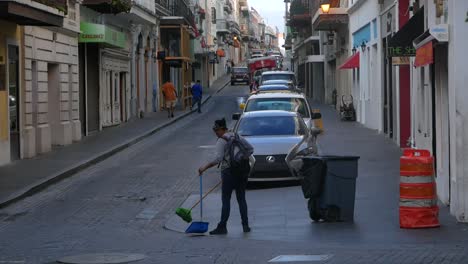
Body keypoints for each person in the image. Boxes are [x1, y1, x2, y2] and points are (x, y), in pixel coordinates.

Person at [198, 118, 253, 235]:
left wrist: (204, 167)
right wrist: (240, 161)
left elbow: (218, 158)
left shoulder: (221, 140)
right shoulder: (237, 136)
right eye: (215, 130)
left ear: (223, 129)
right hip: (242, 172)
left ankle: (222, 226)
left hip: (228, 173)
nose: (216, 133)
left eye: (217, 130)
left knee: (226, 200)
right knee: (241, 198)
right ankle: (245, 225)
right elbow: (250, 149)